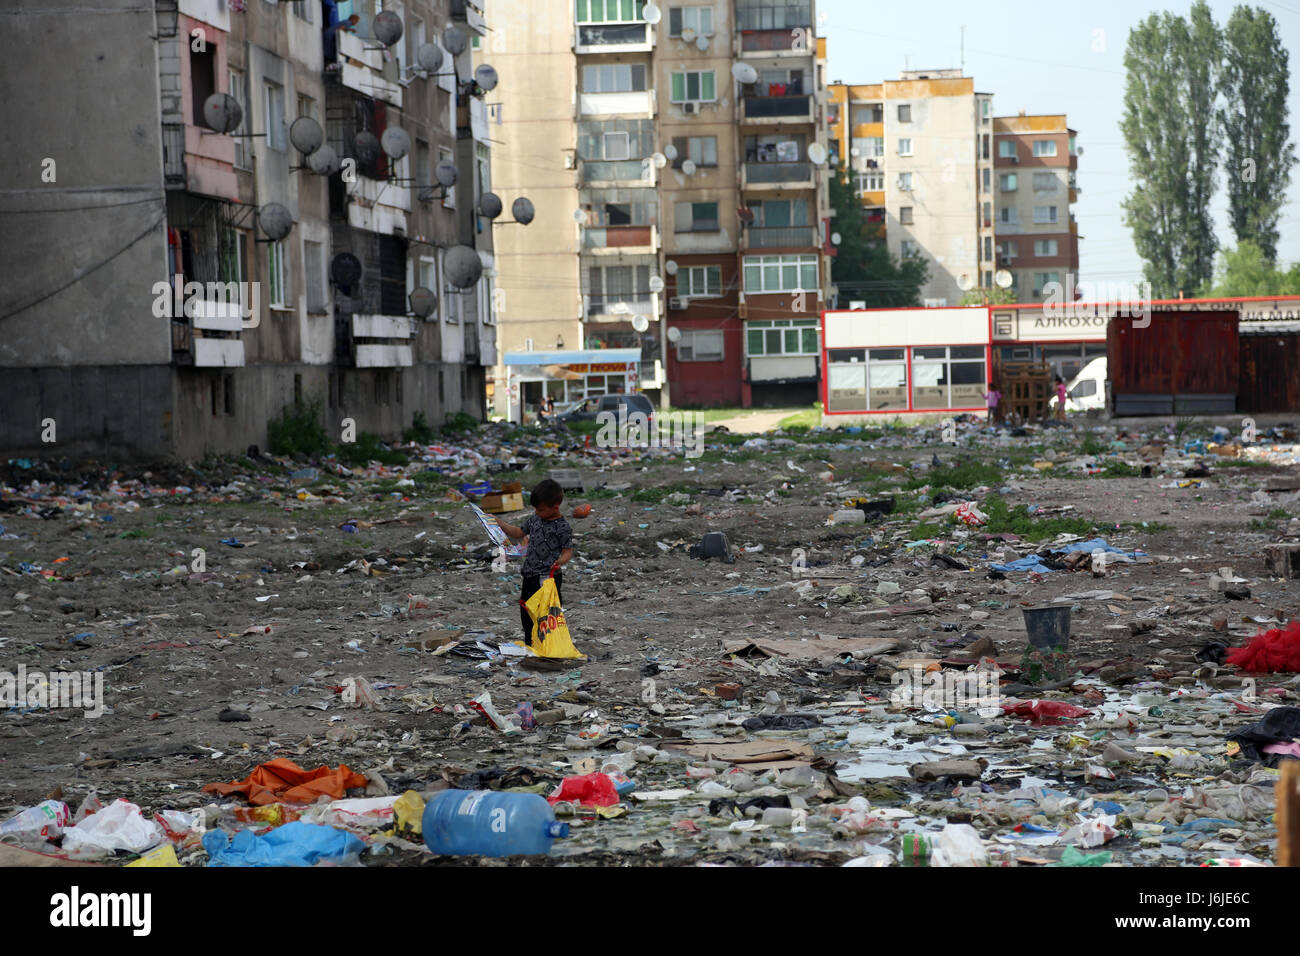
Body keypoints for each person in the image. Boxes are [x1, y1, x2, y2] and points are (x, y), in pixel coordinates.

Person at [496, 479, 574, 647]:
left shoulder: (562, 527)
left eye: (541, 509)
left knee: (547, 614)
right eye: (536, 509)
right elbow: (518, 532)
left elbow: (568, 551)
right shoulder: (535, 520)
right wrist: (499, 523)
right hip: (530, 574)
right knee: (526, 609)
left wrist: (561, 560)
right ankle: (530, 643)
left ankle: (548, 646)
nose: (537, 512)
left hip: (548, 577)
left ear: (555, 507)